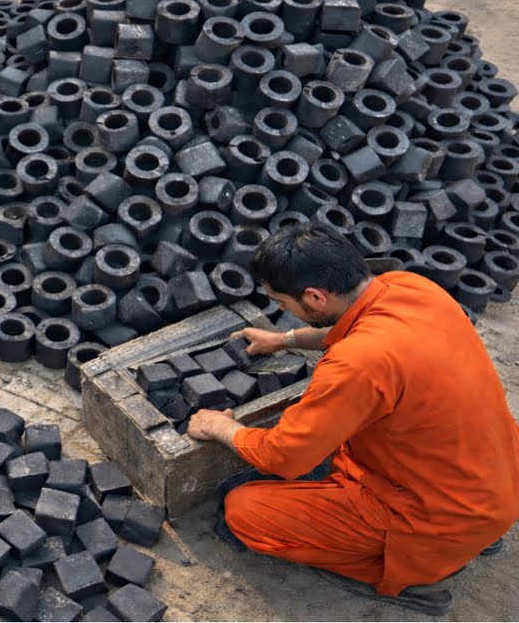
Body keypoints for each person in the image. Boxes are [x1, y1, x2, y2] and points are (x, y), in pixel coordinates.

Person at [188, 223, 519, 614]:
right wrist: (285, 339)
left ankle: (416, 575)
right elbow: (349, 326)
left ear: (314, 296)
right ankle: (473, 537)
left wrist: (222, 426)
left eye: (282, 303)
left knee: (245, 511)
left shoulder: (357, 365)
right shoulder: (409, 287)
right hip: (497, 483)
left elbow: (285, 457)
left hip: (435, 516)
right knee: (347, 444)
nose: (281, 311)